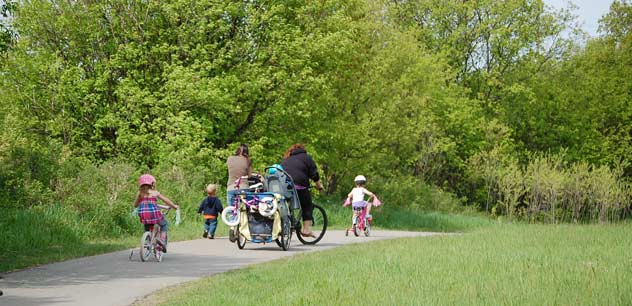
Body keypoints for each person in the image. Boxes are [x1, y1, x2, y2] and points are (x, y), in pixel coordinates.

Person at [280, 143, 324, 237]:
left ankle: (283, 222)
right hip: (299, 186)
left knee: (285, 204)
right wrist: (319, 186)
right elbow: (314, 174)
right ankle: (306, 230)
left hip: (283, 187)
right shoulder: (306, 157)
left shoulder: (286, 158)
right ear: (303, 149)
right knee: (307, 205)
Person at [134, 174, 179, 252]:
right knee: (164, 224)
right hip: (154, 214)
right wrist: (174, 206)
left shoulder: (140, 193)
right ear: (152, 184)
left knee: (147, 226)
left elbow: (135, 205)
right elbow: (166, 200)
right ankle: (162, 240)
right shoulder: (155, 193)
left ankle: (147, 240)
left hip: (143, 215)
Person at [226, 143, 253, 242]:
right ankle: (244, 230)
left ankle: (232, 228)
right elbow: (249, 176)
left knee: (233, 209)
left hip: (231, 187)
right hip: (243, 187)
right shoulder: (248, 160)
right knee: (246, 209)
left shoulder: (229, 159)